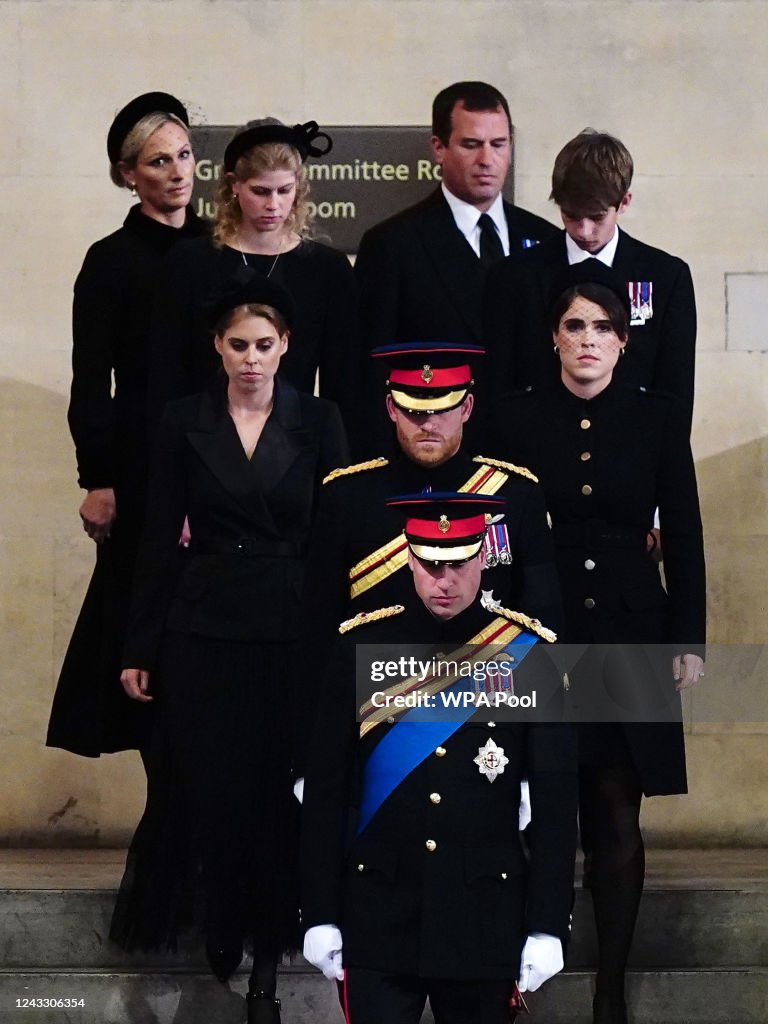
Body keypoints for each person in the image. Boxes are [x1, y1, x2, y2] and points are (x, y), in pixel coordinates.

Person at [109, 278, 348, 1024]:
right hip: (202, 625)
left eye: (264, 344)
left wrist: (345, 634)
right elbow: (156, 535)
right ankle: (221, 932)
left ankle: (271, 964)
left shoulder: (321, 419)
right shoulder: (185, 420)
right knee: (211, 787)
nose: (251, 357)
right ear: (217, 347)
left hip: (293, 625)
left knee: (280, 792)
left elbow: (341, 535)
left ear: (286, 348)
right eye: (238, 344)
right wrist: (139, 643)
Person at [497, 267, 706, 1024]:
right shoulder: (514, 416)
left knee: (616, 810)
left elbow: (682, 529)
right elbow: (494, 535)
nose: (589, 341)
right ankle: (515, 977)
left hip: (629, 626)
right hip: (539, 630)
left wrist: (687, 638)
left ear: (624, 341)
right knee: (526, 804)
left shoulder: (655, 418)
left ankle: (610, 992)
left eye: (604, 328)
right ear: (554, 335)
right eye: (575, 326)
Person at [301, 492, 578, 1024]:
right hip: (378, 912)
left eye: (456, 564)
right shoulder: (359, 647)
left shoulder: (527, 653)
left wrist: (547, 922)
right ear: (409, 558)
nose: (442, 580)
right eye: (429, 565)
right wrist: (318, 912)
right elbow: (327, 794)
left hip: (483, 918)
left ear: (483, 558)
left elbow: (555, 800)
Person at [47, 91, 208, 758]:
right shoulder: (111, 260)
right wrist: (99, 477)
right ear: (128, 174)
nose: (177, 172)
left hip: (225, 459)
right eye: (158, 160)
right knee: (146, 631)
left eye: (186, 156)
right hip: (142, 469)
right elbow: (92, 381)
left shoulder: (223, 249)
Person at [298, 341, 563, 718]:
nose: (429, 424)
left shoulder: (516, 494)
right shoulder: (346, 496)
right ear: (391, 407)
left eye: (443, 409)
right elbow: (318, 628)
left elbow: (542, 625)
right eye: (414, 411)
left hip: (481, 715)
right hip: (377, 713)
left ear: (467, 407)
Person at [147, 117, 359, 434]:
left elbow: (344, 383)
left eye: (284, 191)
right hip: (204, 443)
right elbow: (166, 374)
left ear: (299, 188)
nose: (273, 205)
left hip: (298, 445)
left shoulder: (327, 269)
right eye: (260, 191)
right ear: (234, 185)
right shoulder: (190, 263)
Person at [484, 127, 697, 429]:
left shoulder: (665, 276)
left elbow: (675, 393)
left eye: (597, 217)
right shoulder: (514, 277)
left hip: (631, 451)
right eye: (571, 215)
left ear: (624, 202)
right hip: (537, 449)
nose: (584, 231)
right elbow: (499, 389)